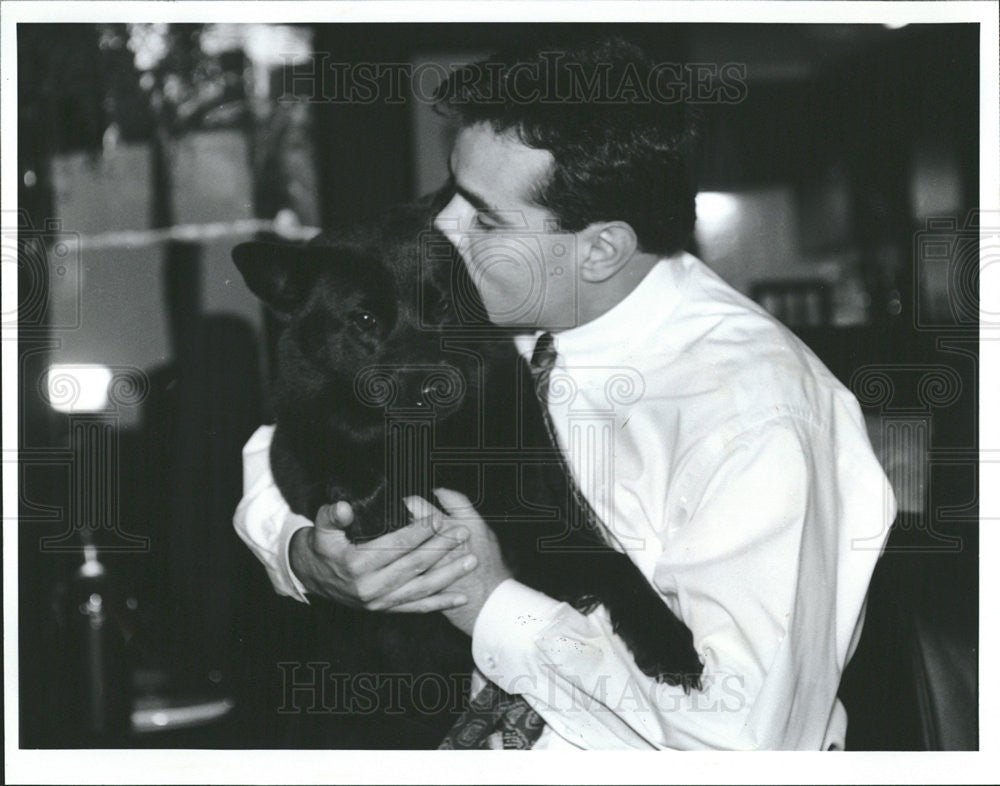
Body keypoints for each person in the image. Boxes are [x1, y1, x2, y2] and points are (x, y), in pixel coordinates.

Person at [234, 36, 896, 750]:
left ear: (602, 248)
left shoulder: (757, 419)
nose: (444, 230)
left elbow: (739, 740)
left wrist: (493, 603)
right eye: (451, 195)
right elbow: (286, 437)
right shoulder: (493, 307)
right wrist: (306, 555)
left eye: (484, 219)